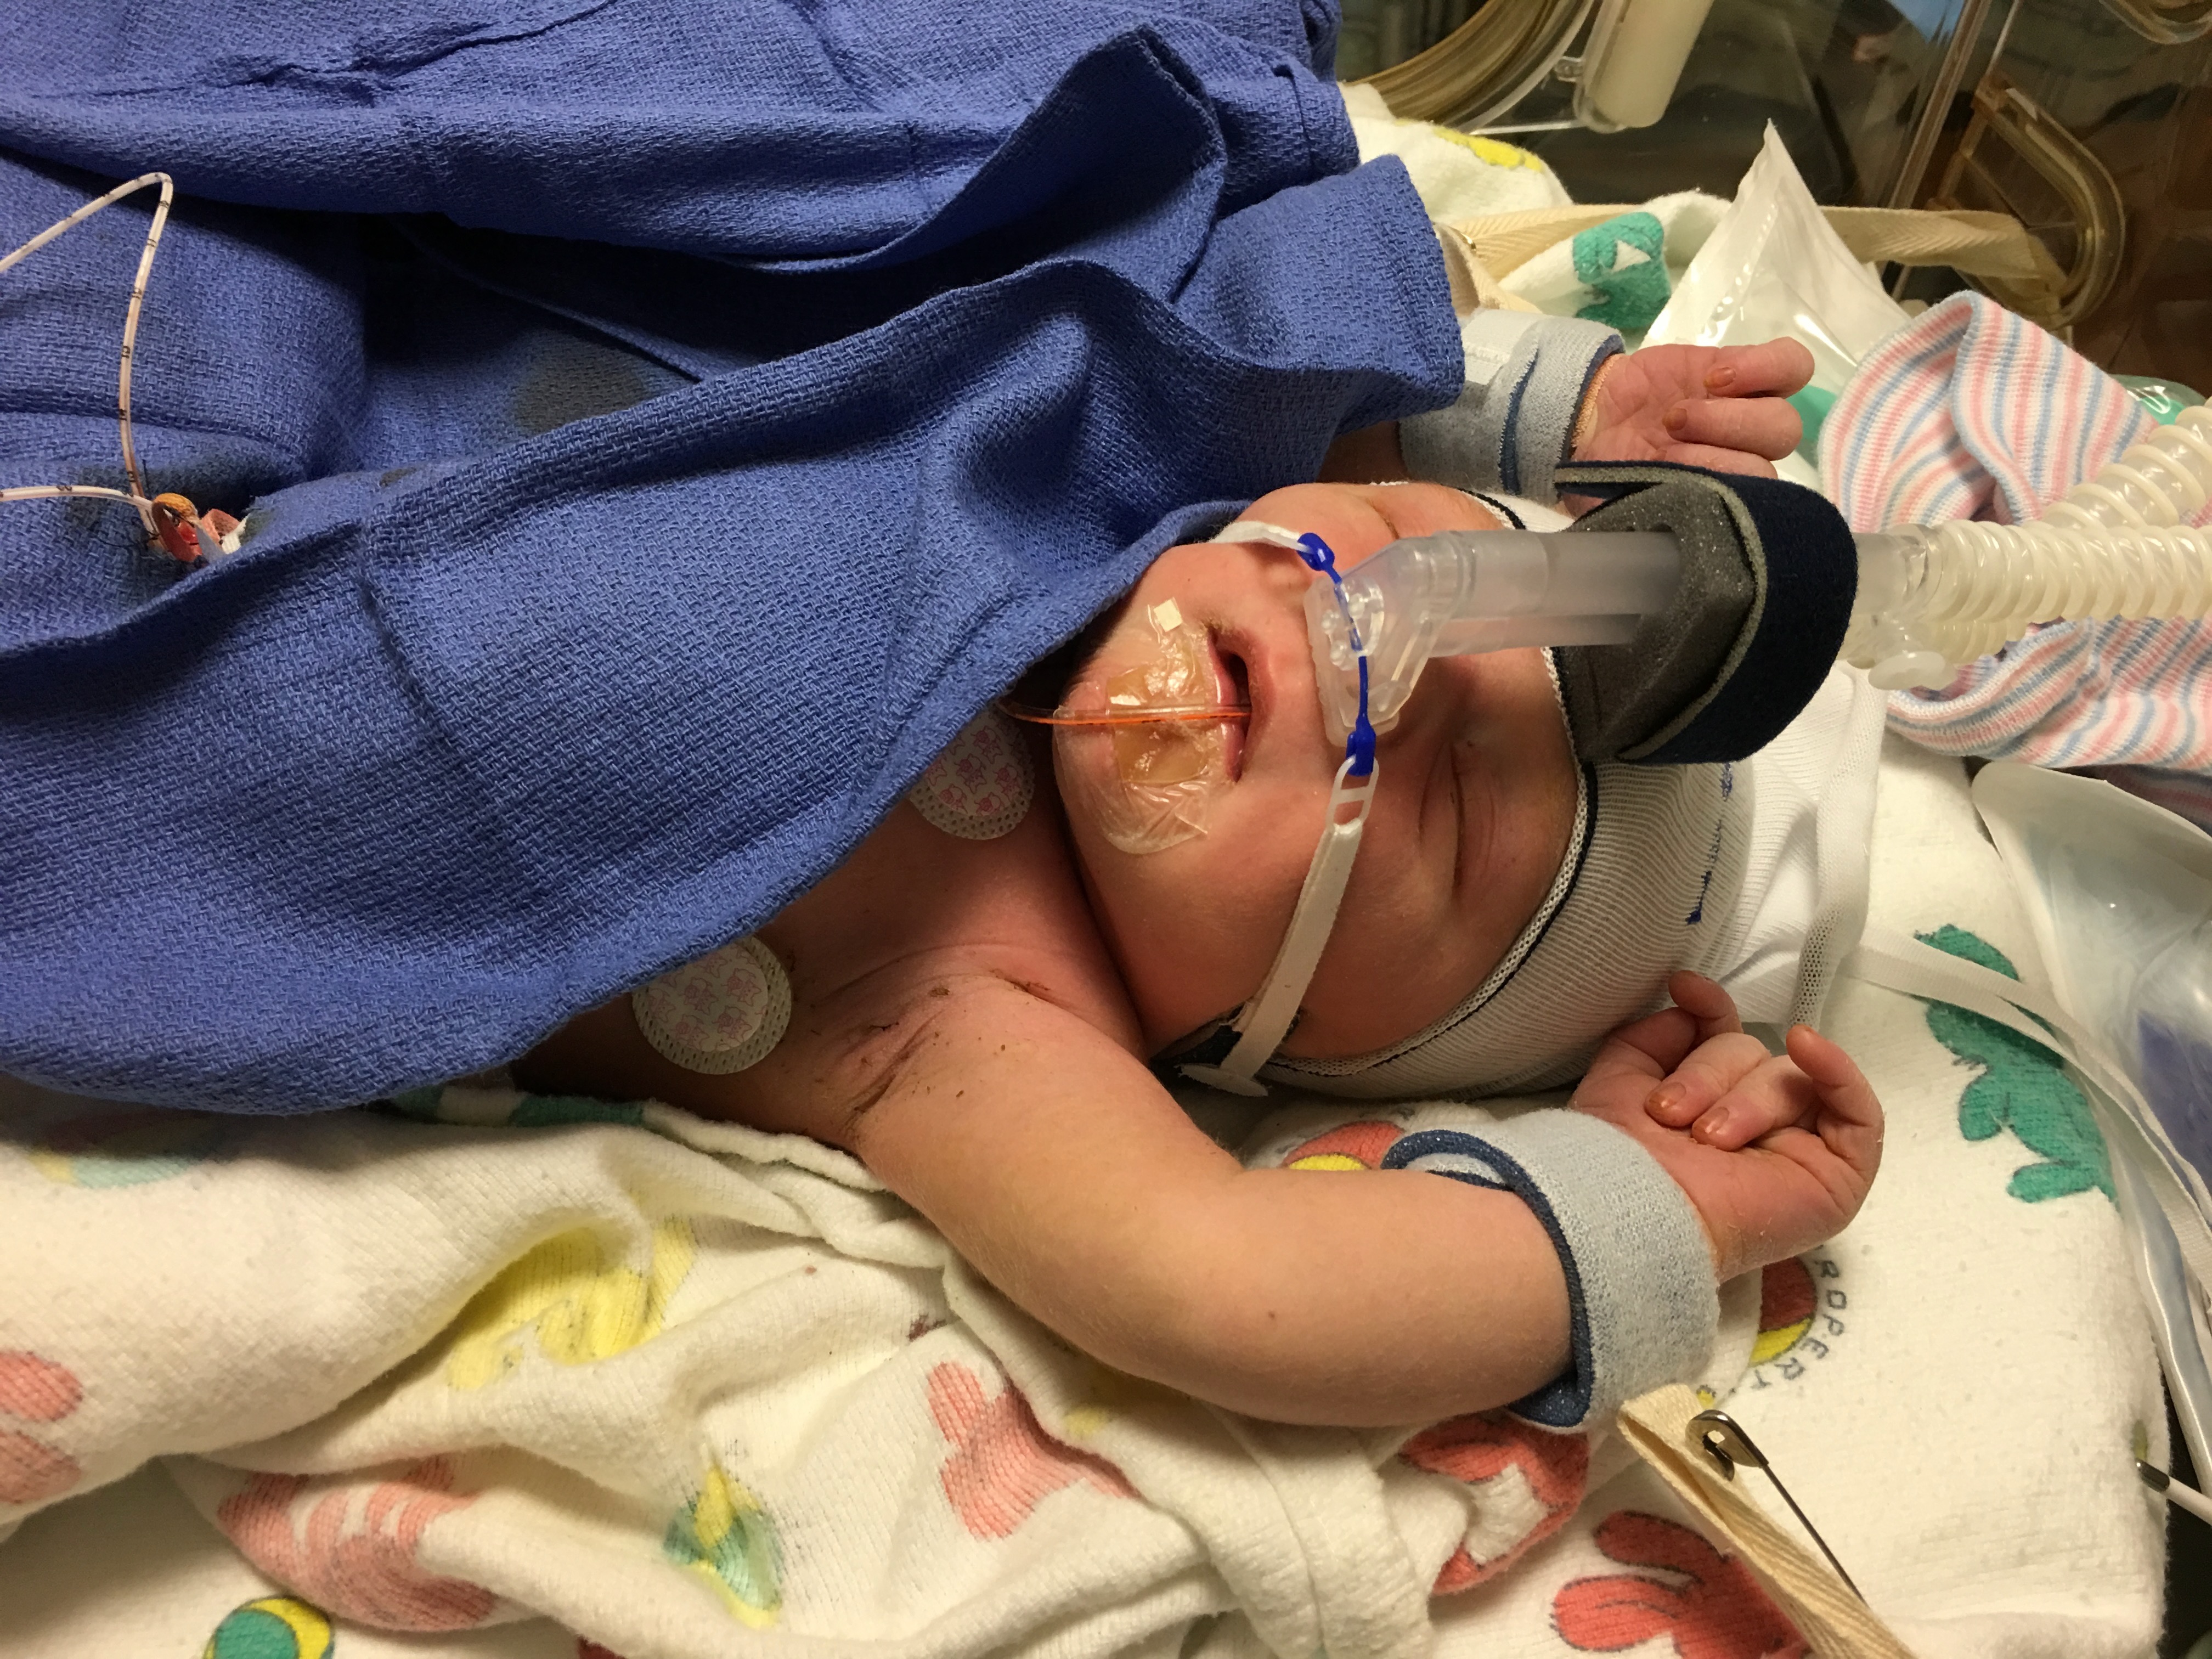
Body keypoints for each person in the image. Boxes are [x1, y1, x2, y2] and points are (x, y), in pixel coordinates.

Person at [516, 450, 1885, 1434]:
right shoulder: (1098, 483)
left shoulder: (983, 1015)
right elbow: (1317, 352)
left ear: (1307, 1054)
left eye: (1455, 816)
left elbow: (1223, 1283)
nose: (1372, 661)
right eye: (1403, 538)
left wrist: (1670, 1211)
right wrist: (1558, 407)